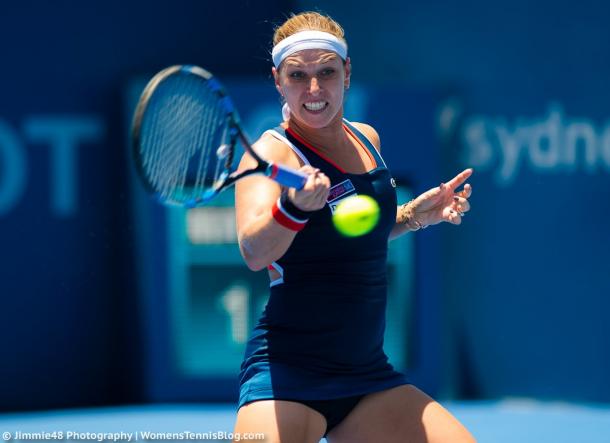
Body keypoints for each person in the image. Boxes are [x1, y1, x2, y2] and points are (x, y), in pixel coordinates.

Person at [232, 11, 475, 443]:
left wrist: (413, 215)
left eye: (326, 71)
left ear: (347, 71)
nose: (313, 89)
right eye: (297, 75)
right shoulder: (272, 156)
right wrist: (292, 208)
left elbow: (347, 237)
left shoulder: (368, 139)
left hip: (366, 377)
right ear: (277, 80)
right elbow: (254, 252)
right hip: (286, 376)